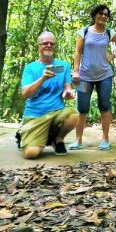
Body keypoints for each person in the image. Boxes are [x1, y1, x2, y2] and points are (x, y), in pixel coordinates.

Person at [69, 4, 116, 151]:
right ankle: (78, 140)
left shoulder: (109, 32)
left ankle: (105, 139)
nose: (103, 16)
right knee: (82, 108)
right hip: (83, 76)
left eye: (106, 14)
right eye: (101, 13)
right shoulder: (84, 32)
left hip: (105, 76)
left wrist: (112, 55)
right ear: (94, 15)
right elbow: (77, 52)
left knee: (104, 106)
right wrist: (76, 71)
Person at [18, 31, 79, 159]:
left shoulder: (63, 66)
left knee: (73, 115)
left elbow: (67, 87)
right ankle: (23, 133)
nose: (49, 45)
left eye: (52, 43)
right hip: (35, 115)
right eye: (45, 43)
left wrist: (68, 92)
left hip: (56, 112)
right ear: (39, 46)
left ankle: (58, 139)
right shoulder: (31, 68)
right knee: (31, 154)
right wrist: (42, 79)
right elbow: (26, 94)